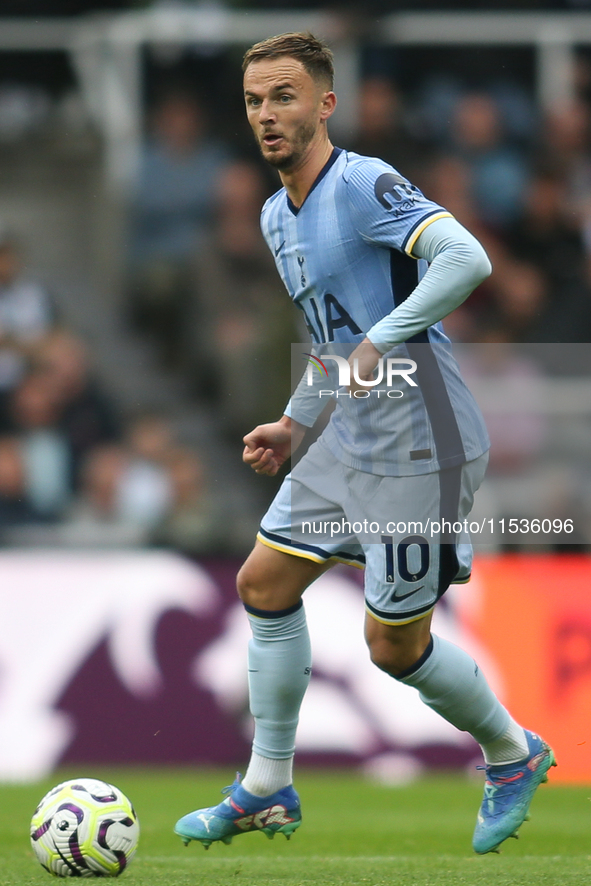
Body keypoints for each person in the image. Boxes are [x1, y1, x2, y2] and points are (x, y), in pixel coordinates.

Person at [174, 32, 555, 856]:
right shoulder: (277, 214)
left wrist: (381, 342)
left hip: (424, 437)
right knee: (265, 582)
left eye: (283, 96)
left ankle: (512, 753)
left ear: (324, 103)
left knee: (392, 647)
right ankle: (267, 787)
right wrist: (294, 421)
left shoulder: (364, 182)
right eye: (253, 101)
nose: (267, 115)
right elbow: (330, 341)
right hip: (350, 432)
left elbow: (465, 258)